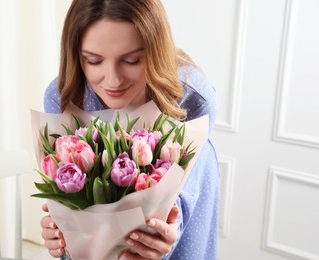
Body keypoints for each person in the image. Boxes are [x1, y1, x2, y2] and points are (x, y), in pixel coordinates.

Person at [41, 0, 219, 259]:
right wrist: (57, 229)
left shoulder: (191, 99)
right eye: (93, 61)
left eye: (132, 60)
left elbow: (188, 188)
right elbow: (66, 195)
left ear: (155, 50)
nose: (112, 80)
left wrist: (165, 229)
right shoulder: (63, 96)